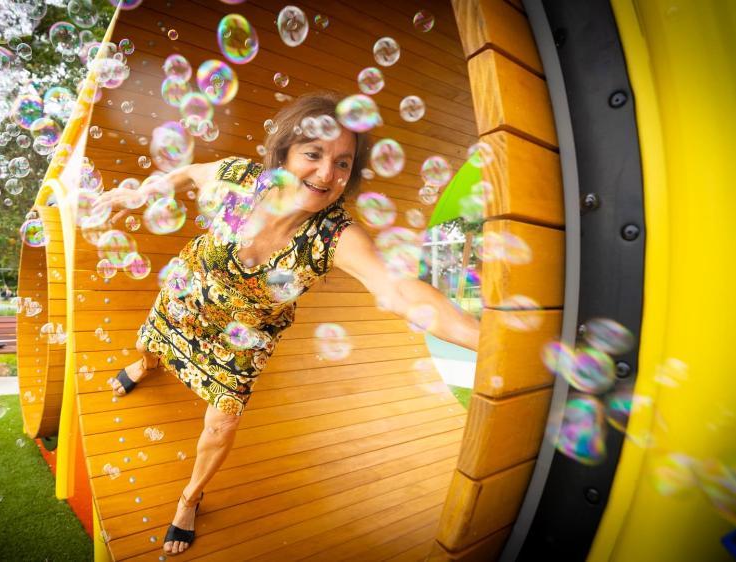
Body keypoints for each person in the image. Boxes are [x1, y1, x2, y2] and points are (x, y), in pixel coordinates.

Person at [98, 92, 480, 556]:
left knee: (221, 425)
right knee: (149, 343)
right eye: (313, 155)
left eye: (343, 163)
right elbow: (183, 175)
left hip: (241, 340)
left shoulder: (334, 235)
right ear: (284, 155)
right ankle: (143, 367)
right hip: (184, 298)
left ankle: (189, 499)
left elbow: (397, 289)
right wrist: (140, 193)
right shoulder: (239, 180)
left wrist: (487, 339)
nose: (326, 174)